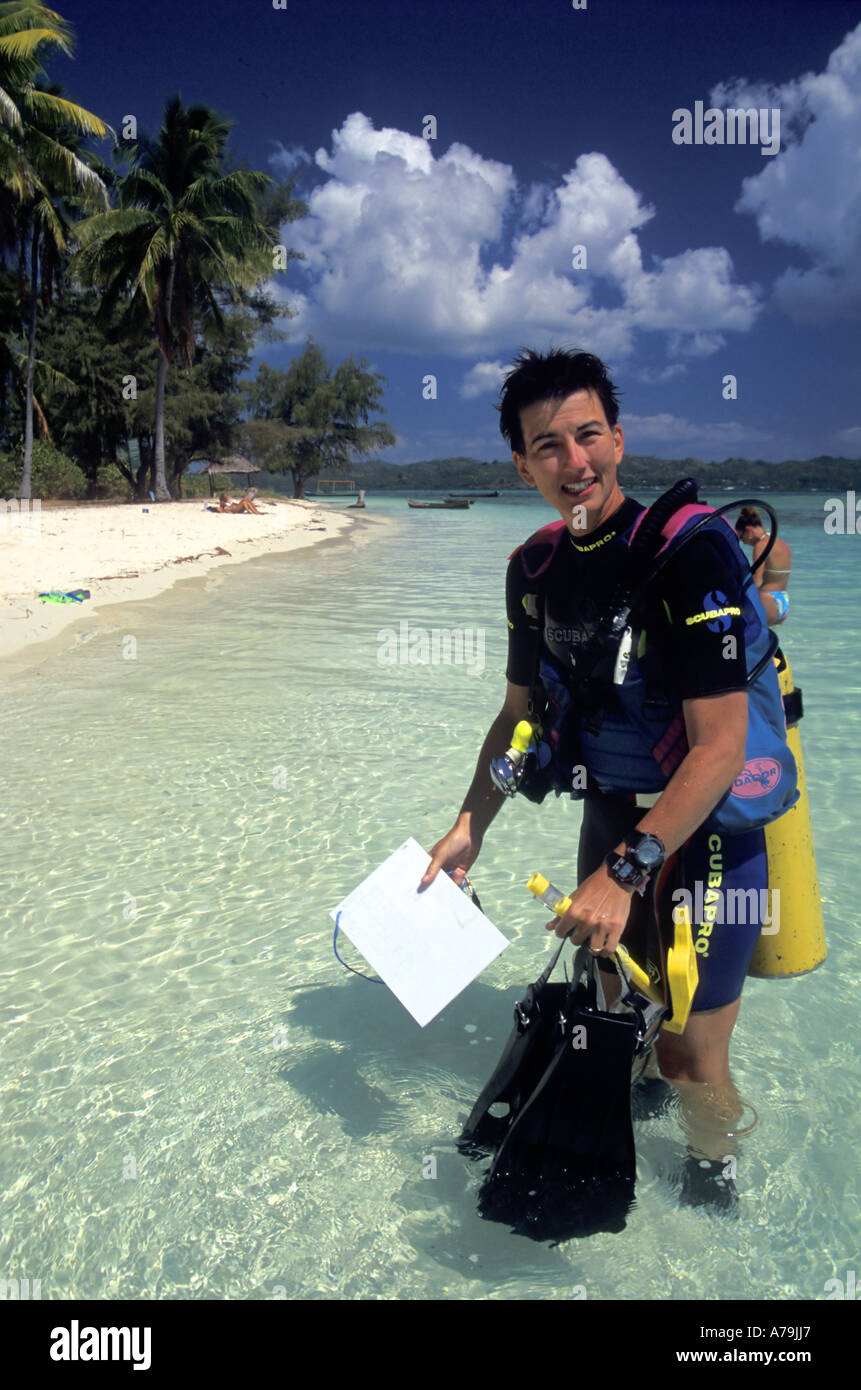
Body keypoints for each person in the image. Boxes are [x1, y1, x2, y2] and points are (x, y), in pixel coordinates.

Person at [422, 348, 784, 1205]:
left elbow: (721, 746)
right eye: (547, 445)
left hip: (706, 835)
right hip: (612, 818)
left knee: (691, 1053)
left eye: (587, 435)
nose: (572, 461)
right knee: (612, 1018)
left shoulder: (688, 555)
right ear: (520, 463)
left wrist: (624, 873)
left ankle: (712, 1192)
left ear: (618, 440)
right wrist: (469, 825)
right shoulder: (534, 570)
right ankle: (632, 1123)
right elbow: (519, 714)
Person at [735, 506, 791, 625]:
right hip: (783, 600)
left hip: (767, 599)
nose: (743, 542)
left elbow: (755, 582)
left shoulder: (761, 546)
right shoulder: (780, 543)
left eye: (741, 537)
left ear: (749, 530)